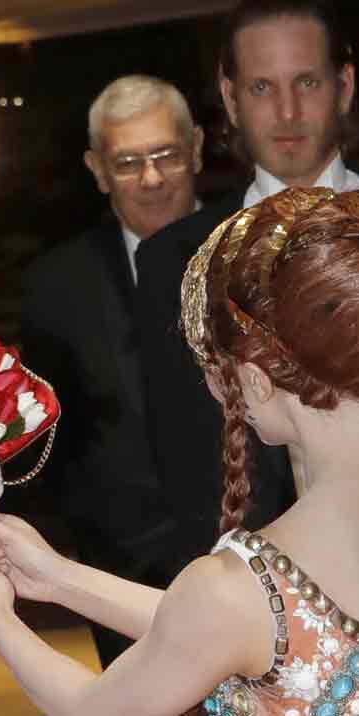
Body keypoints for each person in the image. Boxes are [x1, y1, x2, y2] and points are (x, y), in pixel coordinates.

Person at [0, 186, 359, 716]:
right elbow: (243, 630)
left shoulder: (237, 593)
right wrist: (60, 579)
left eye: (221, 372)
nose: (217, 391)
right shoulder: (239, 602)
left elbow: (95, 708)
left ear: (257, 381)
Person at [135, 0, 356, 560]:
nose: (287, 112)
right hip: (243, 600)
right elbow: (182, 463)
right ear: (230, 99)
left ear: (345, 85)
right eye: (262, 88)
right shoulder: (173, 262)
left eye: (306, 81)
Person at [20, 74, 204, 667]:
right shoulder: (56, 286)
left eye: (165, 155)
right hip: (123, 580)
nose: (150, 179)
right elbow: (53, 440)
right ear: (96, 170)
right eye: (127, 162)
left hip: (265, 568)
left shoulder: (256, 248)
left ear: (197, 149)